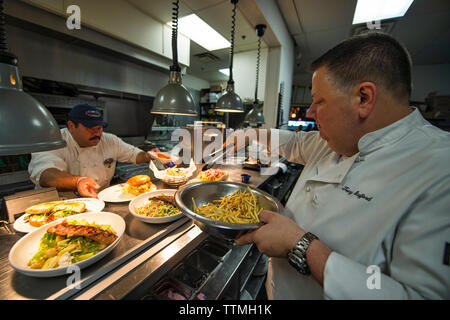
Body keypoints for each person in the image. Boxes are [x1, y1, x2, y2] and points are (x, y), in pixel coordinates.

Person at [227, 32, 450, 299]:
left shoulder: (439, 168)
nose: (309, 112)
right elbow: (295, 142)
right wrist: (252, 134)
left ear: (364, 98)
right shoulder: (333, 139)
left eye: (319, 101)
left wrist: (300, 246)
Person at [28, 104, 172, 198]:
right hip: (60, 206)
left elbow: (134, 155)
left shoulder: (109, 140)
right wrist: (78, 181)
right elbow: (46, 175)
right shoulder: (53, 141)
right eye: (90, 129)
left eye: (99, 128)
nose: (97, 133)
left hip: (99, 202)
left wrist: (148, 155)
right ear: (71, 126)